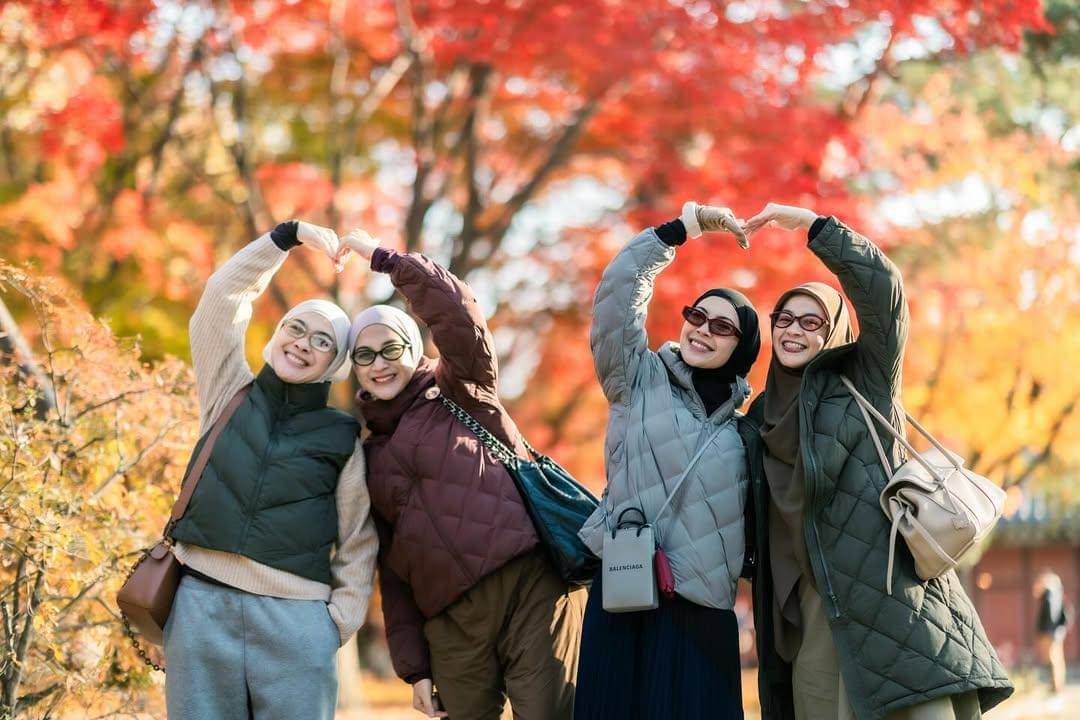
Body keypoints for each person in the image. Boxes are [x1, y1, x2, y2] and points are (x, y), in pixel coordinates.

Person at [740, 203, 1013, 720]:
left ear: (835, 330)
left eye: (812, 321)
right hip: (809, 613)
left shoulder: (863, 381)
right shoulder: (755, 422)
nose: (794, 330)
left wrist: (813, 227)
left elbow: (885, 294)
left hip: (888, 594)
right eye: (784, 319)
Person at [340, 228, 586, 719]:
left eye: (390, 348)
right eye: (364, 355)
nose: (379, 364)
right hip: (450, 626)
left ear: (414, 349)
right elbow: (391, 569)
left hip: (529, 591)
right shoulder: (365, 459)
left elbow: (456, 312)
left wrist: (388, 261)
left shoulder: (462, 389)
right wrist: (415, 668)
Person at [164, 220, 378, 720]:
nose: (303, 343)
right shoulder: (228, 391)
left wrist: (335, 625)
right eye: (296, 328)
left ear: (335, 365)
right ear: (277, 335)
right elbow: (221, 299)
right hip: (199, 607)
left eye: (322, 341)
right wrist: (287, 236)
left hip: (295, 624)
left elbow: (358, 540)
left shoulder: (343, 437)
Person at [574, 202, 762, 719]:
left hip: (702, 617)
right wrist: (682, 229)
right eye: (696, 316)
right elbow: (617, 298)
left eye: (721, 327)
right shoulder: (637, 379)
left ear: (742, 346)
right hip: (627, 596)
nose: (702, 330)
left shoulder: (748, 429)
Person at [1035, 570, 1069, 693]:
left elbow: (1050, 614)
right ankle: (1057, 685)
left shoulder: (1049, 594)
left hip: (1050, 632)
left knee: (1052, 659)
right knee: (1057, 658)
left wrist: (1047, 630)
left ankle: (1055, 686)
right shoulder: (1056, 592)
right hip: (1055, 631)